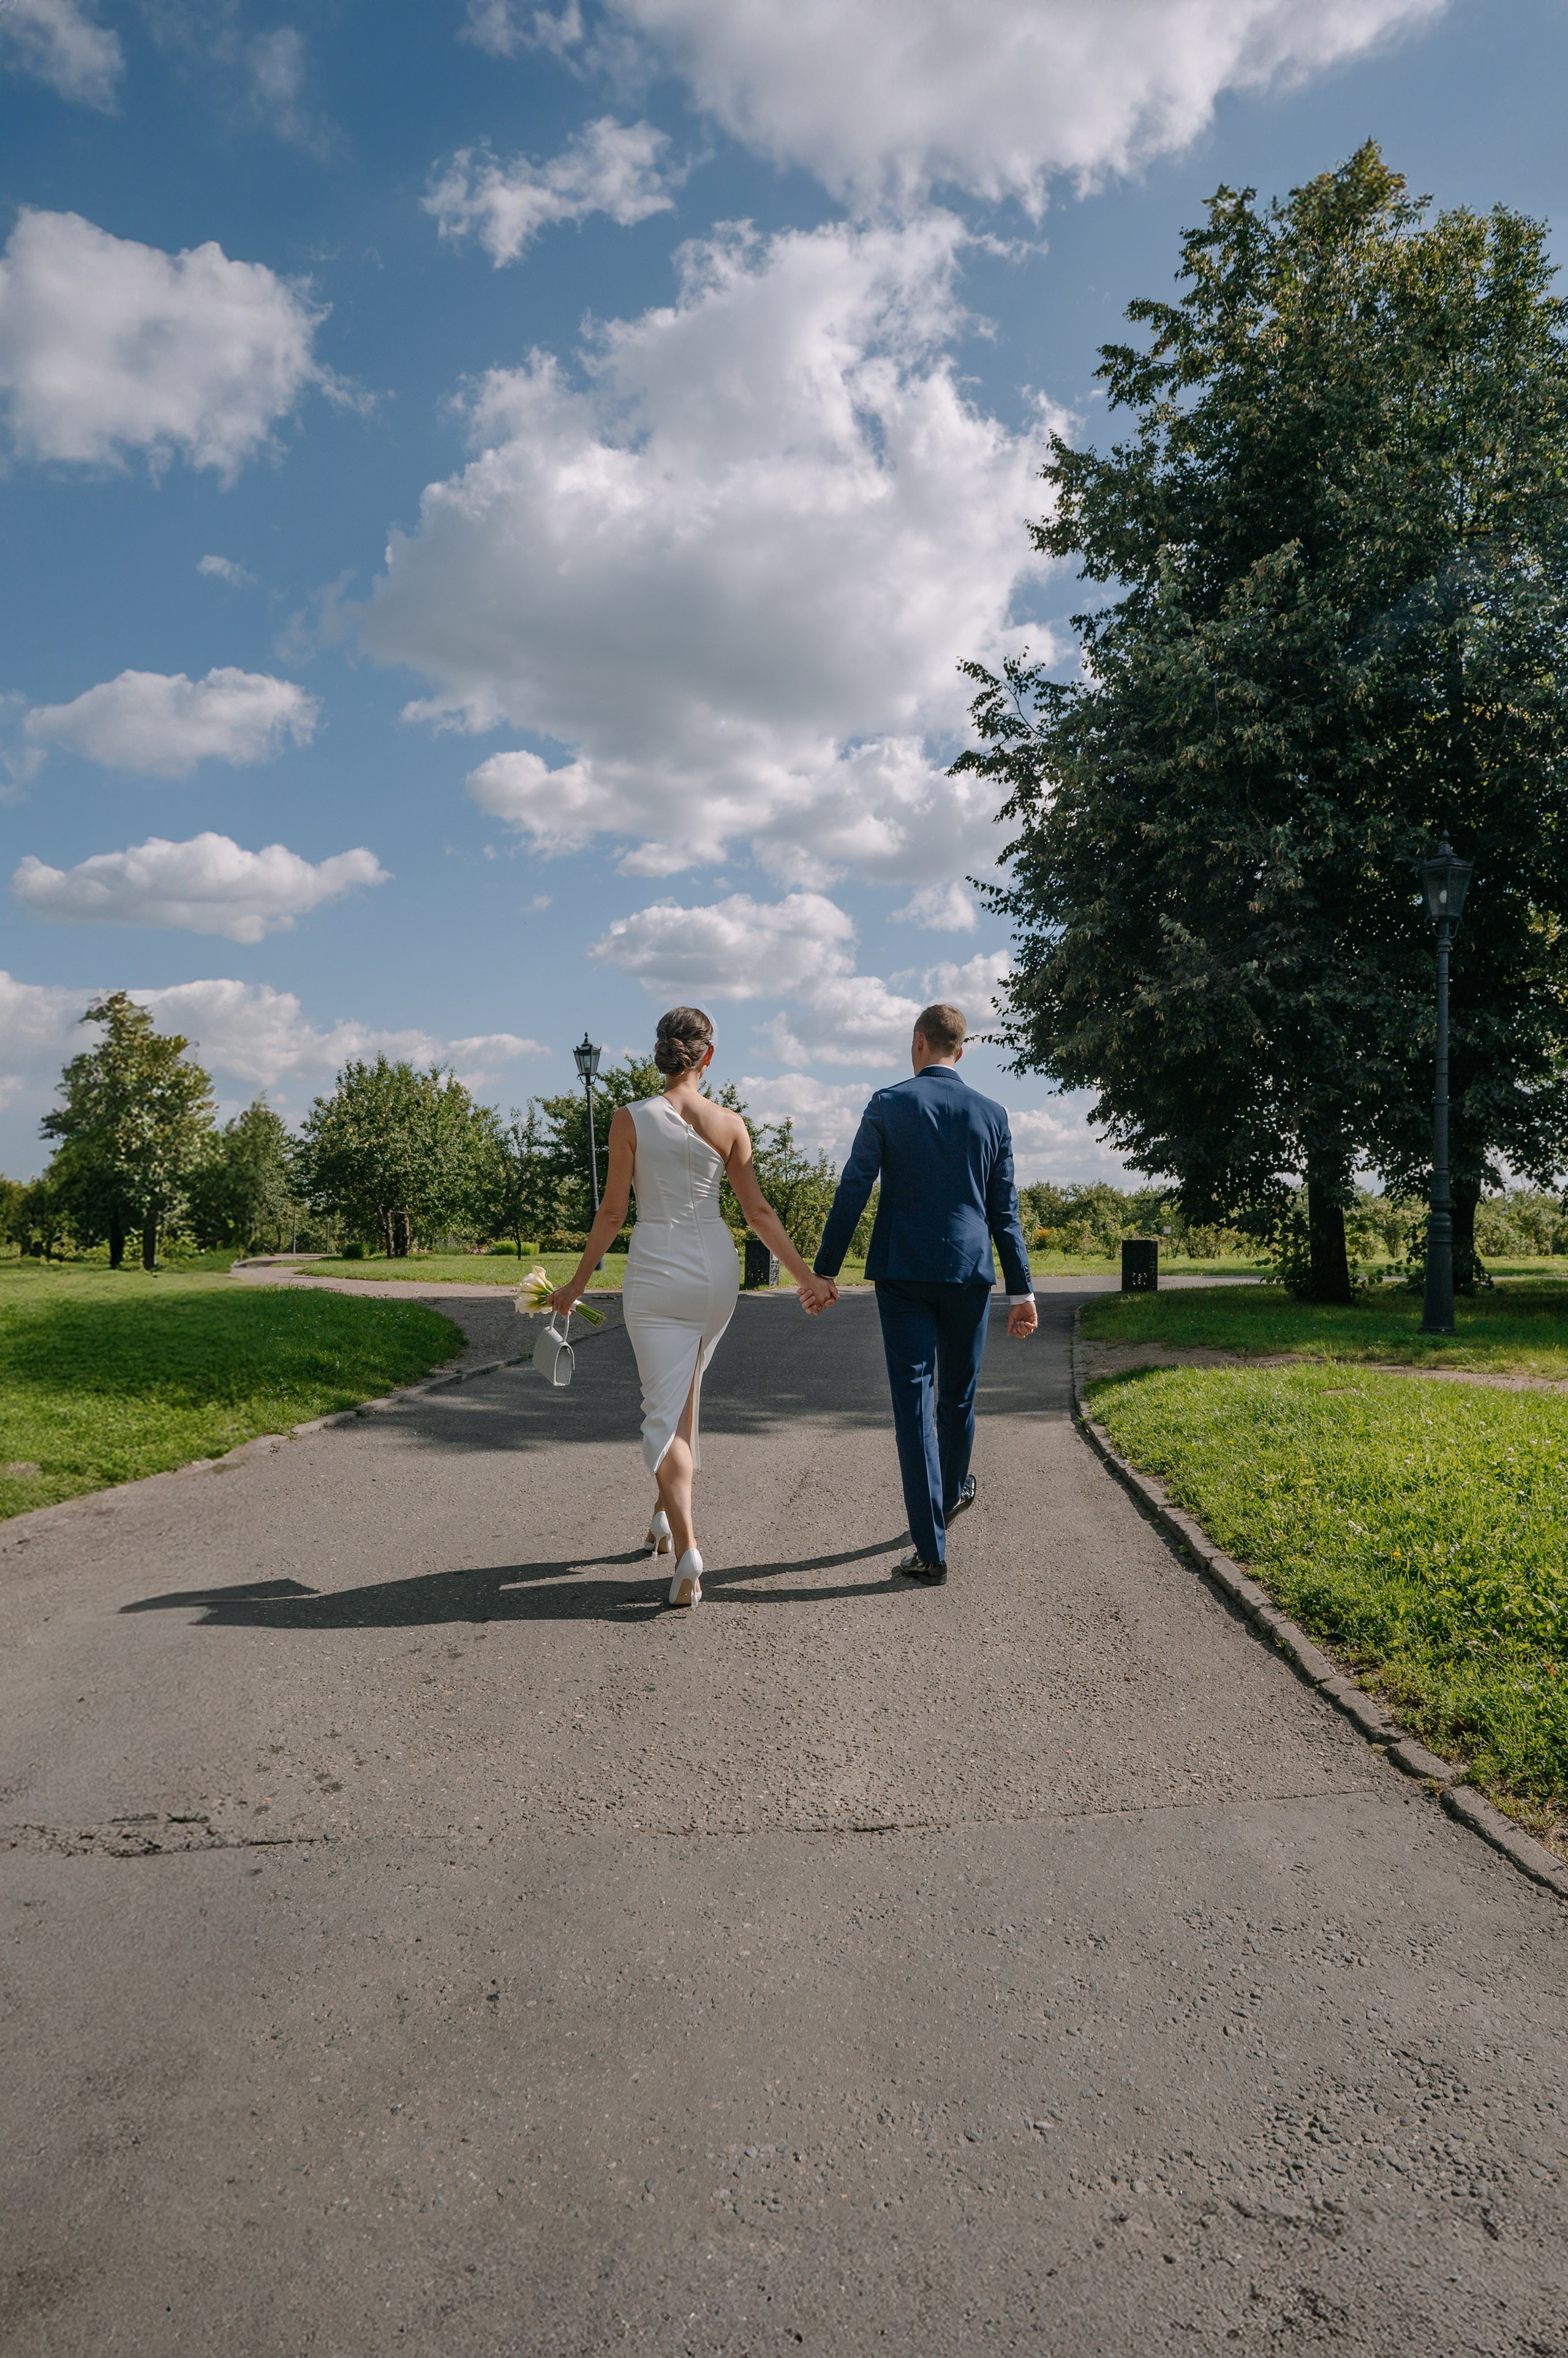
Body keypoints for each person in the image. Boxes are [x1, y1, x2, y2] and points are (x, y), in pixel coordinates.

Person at [549, 1007, 837, 1607]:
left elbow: (611, 1214)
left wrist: (577, 1284)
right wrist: (806, 1276)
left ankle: (687, 1552)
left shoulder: (628, 1119)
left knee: (662, 1415)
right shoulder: (731, 1124)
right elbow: (758, 1214)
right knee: (682, 1399)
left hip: (656, 1270)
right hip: (716, 1274)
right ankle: (661, 1518)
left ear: (661, 1054)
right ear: (708, 1057)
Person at [811, 1002, 1037, 1584]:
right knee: (958, 1397)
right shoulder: (992, 1114)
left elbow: (853, 1187)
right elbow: (1004, 1211)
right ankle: (954, 1489)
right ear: (960, 1050)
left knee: (914, 1406)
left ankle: (931, 1549)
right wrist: (1023, 1292)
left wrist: (825, 1270)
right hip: (970, 1274)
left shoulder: (888, 1104)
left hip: (903, 1273)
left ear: (918, 1042)